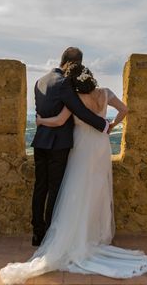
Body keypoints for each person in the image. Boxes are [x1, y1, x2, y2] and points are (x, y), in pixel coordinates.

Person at [0, 63, 147, 284]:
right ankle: (97, 235)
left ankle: (78, 235)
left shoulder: (75, 100)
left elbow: (60, 121)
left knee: (77, 189)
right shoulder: (106, 93)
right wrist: (111, 126)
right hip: (101, 145)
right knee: (97, 188)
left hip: (82, 146)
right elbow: (125, 110)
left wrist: (41, 120)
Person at [29, 47, 110, 247]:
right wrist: (104, 125)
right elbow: (79, 110)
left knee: (40, 188)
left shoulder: (39, 81)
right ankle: (50, 235)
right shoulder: (65, 83)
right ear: (74, 63)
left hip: (40, 141)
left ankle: (37, 234)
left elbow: (43, 111)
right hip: (59, 144)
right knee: (55, 189)